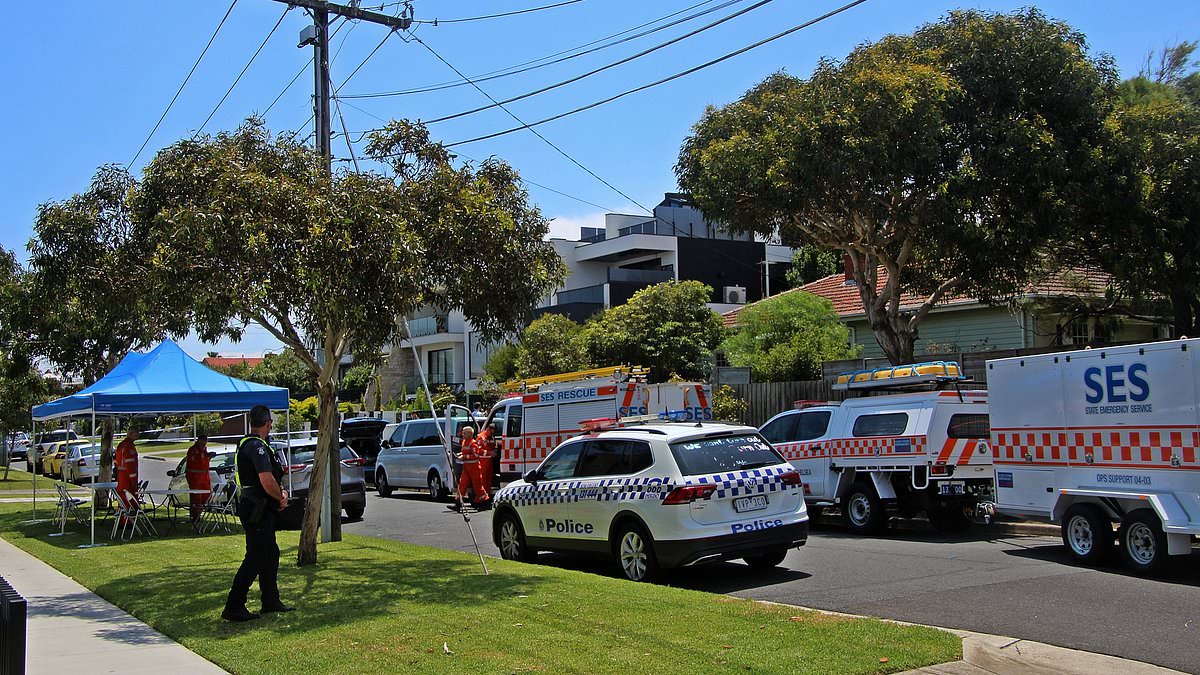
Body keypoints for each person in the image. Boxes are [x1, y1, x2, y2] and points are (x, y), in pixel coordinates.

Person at [223, 405, 293, 622]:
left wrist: (279, 492)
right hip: (257, 507)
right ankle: (234, 605)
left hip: (258, 506)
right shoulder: (257, 447)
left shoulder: (252, 443)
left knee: (270, 553)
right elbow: (266, 479)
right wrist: (280, 496)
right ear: (268, 423)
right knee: (255, 556)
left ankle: (270, 600)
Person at [452, 426, 491, 511]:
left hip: (474, 467)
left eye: (464, 433)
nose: (462, 434)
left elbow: (476, 455)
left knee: (477, 486)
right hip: (466, 467)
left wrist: (464, 456)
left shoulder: (473, 443)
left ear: (470, 434)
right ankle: (458, 503)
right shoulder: (464, 442)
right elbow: (464, 451)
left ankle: (485, 502)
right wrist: (460, 455)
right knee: (462, 484)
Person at [184, 433, 215, 522]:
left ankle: (199, 513)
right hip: (195, 477)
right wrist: (206, 455)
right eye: (202, 441)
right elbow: (195, 460)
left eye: (205, 442)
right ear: (198, 440)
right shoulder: (193, 450)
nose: (204, 444)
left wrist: (209, 456)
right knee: (196, 497)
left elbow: (204, 460)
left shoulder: (204, 450)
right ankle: (195, 516)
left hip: (205, 477)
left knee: (206, 496)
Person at [114, 427, 140, 508]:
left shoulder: (123, 445)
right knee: (128, 499)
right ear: (131, 434)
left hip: (122, 476)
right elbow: (129, 464)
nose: (138, 434)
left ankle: (123, 519)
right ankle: (128, 519)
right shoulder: (128, 446)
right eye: (136, 432)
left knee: (123, 500)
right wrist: (133, 480)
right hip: (126, 477)